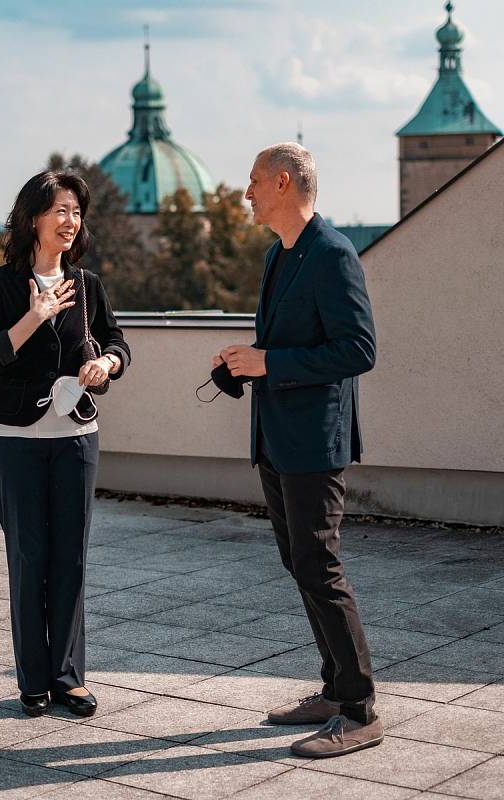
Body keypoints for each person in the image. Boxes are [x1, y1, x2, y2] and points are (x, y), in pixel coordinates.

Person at [213, 143, 381, 758]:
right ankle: (335, 689)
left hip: (315, 441)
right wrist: (244, 366)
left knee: (319, 564)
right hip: (277, 438)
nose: (247, 192)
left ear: (283, 183)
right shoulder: (279, 254)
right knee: (299, 561)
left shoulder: (333, 253)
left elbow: (358, 350)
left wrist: (270, 361)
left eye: (254, 181)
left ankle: (360, 708)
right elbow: (284, 344)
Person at [0, 169, 130, 718]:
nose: (70, 221)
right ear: (33, 218)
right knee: (29, 556)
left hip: (76, 437)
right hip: (14, 438)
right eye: (60, 210)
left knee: (71, 558)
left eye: (77, 213)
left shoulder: (88, 286)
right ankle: (32, 680)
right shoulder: (1, 285)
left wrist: (105, 364)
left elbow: (117, 343)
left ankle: (68, 677)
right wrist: (32, 318)